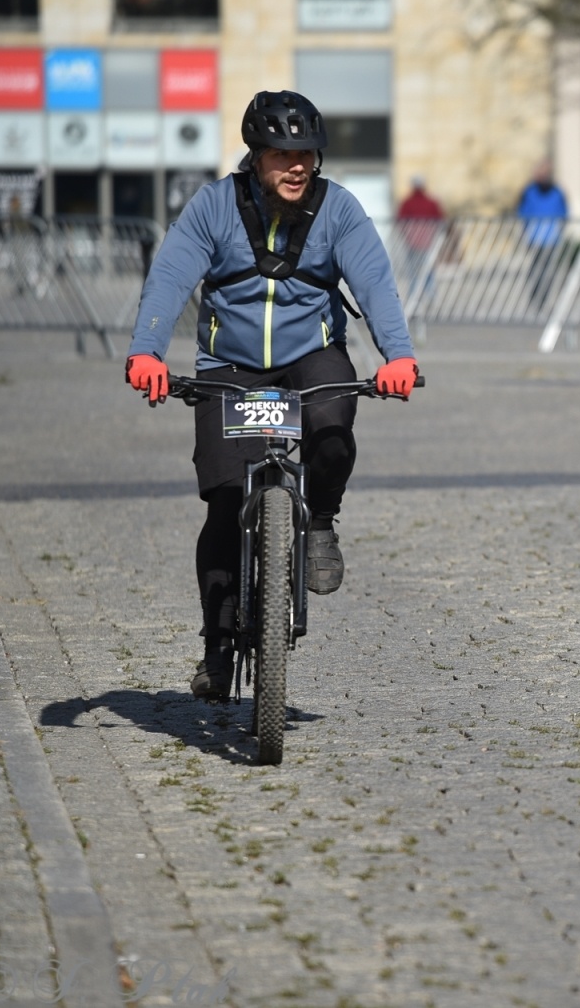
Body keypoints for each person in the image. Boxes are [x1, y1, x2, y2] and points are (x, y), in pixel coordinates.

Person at [123, 90, 420, 701]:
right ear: (255, 156)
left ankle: (323, 523)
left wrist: (399, 357)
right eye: (283, 153)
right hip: (228, 365)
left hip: (311, 357)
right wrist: (147, 352)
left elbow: (375, 282)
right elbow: (171, 276)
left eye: (307, 153)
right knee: (225, 502)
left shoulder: (339, 210)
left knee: (334, 432)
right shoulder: (212, 207)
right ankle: (216, 644)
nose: (297, 165)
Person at [516, 161, 569, 306]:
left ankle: (544, 297)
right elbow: (522, 212)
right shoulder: (529, 191)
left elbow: (564, 212)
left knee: (548, 269)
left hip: (552, 237)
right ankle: (535, 295)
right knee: (536, 267)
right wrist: (524, 230)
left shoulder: (558, 191)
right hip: (535, 236)